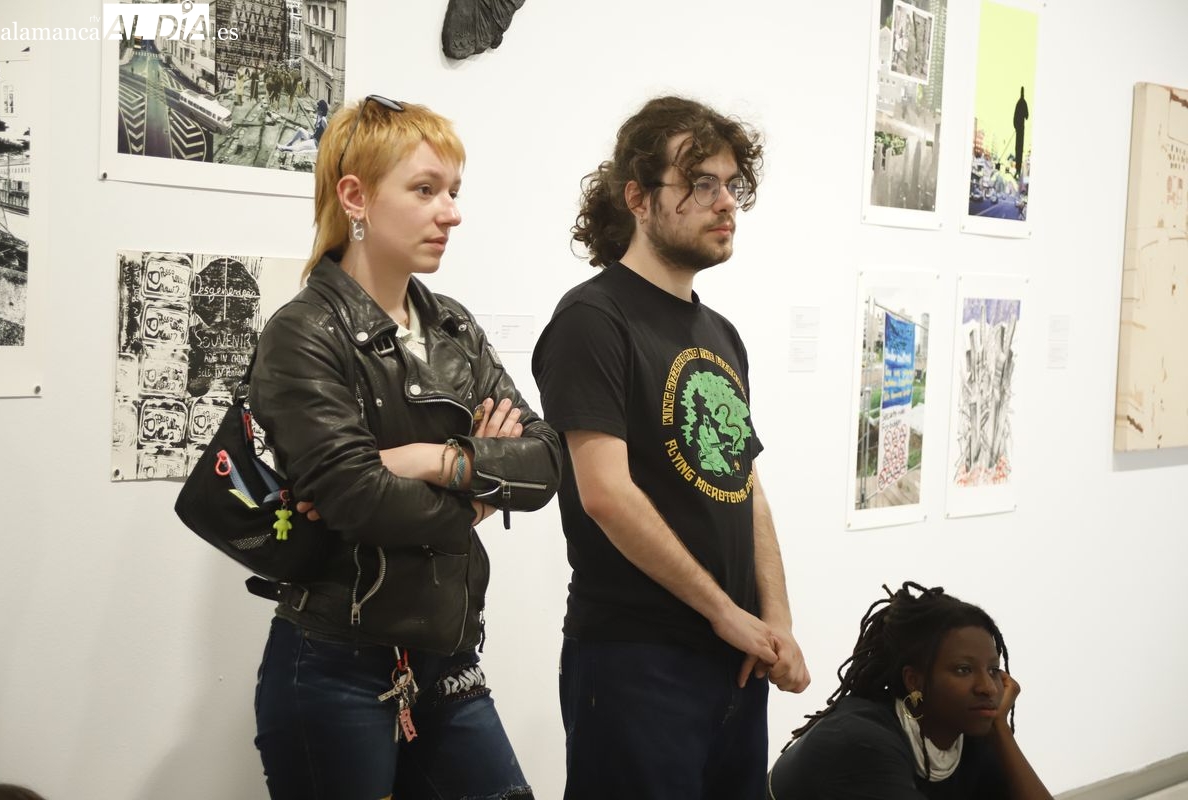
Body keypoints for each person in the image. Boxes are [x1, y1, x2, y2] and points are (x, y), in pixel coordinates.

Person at [248, 95, 561, 800]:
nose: (451, 214)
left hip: (447, 656)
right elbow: (358, 498)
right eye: (425, 190)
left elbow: (545, 464)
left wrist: (429, 460)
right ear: (355, 197)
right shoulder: (304, 332)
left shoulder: (452, 326)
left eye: (453, 192)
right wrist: (479, 495)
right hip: (335, 666)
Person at [531, 95, 810, 800]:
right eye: (701, 183)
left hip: (734, 660)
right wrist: (723, 610)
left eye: (731, 184)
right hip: (636, 660)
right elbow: (605, 494)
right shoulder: (593, 319)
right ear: (638, 198)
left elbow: (744, 486)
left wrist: (775, 620)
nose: (726, 202)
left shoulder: (721, 334)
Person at [767, 582, 1053, 800]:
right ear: (914, 680)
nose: (988, 687)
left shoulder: (968, 730)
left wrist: (1000, 729)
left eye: (993, 670)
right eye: (963, 670)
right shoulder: (860, 741)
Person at [1013, 87, 1029, 182]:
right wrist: (1017, 126)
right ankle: (1018, 170)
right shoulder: (1023, 103)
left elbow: (1015, 117)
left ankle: (1018, 170)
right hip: (1021, 130)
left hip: (1019, 130)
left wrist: (1016, 126)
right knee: (1019, 149)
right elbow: (1027, 116)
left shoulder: (1019, 103)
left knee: (1018, 149)